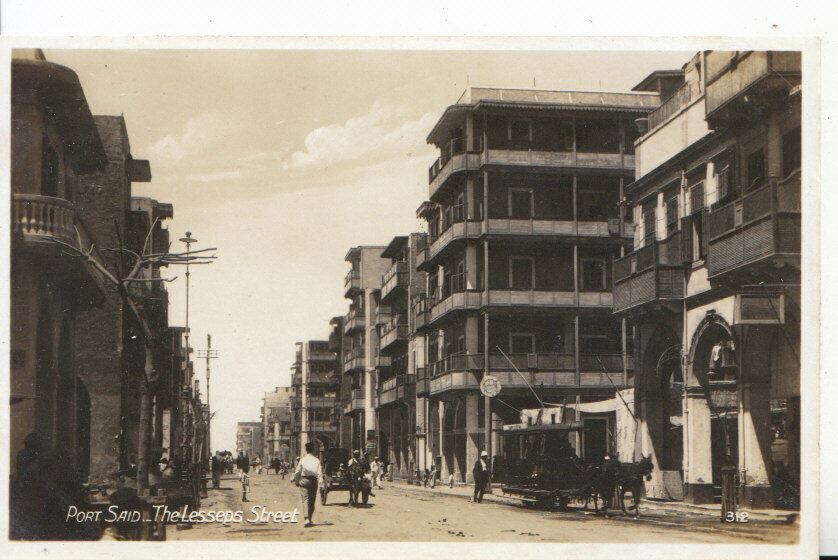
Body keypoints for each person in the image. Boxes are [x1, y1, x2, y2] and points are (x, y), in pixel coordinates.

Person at [292, 442, 323, 527]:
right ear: (313, 450)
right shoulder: (317, 460)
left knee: (305, 499)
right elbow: (319, 473)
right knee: (312, 500)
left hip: (304, 480)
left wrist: (296, 481)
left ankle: (306, 519)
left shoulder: (303, 459)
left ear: (306, 450)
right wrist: (321, 482)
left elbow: (297, 471)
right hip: (313, 481)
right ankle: (309, 518)